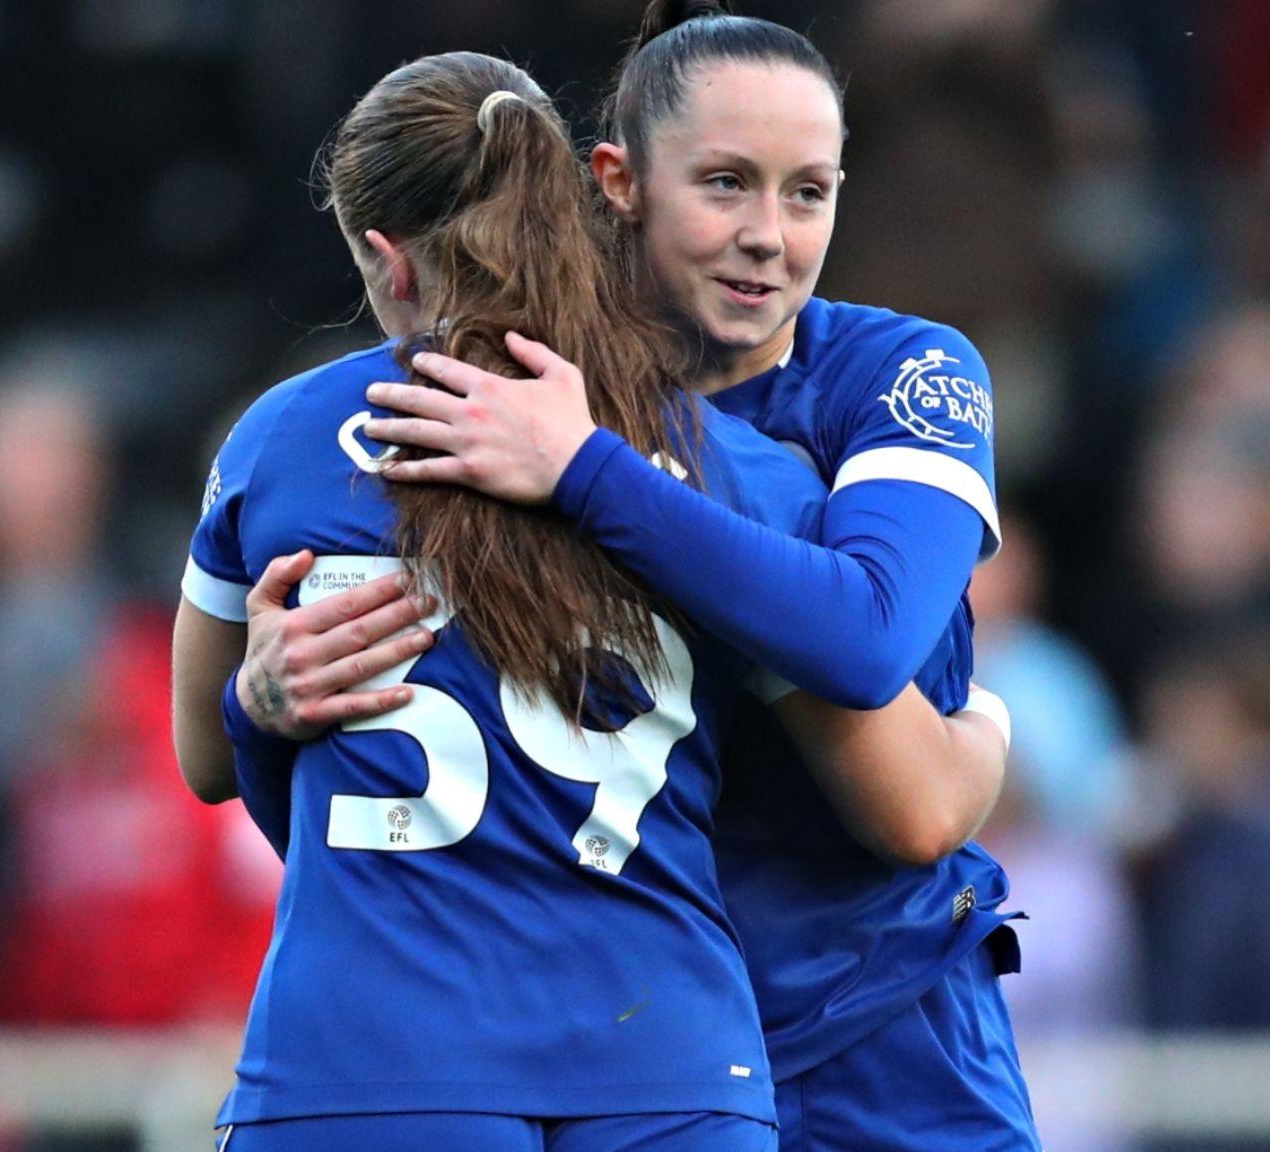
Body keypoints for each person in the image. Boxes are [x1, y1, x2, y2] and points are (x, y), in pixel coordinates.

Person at [234, 6, 1039, 1151]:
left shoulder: (897, 373)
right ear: (615, 182)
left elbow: (871, 659)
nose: (768, 234)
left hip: (876, 1016)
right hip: (642, 1050)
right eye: (723, 184)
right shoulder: (488, 414)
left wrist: (585, 471)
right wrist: (261, 704)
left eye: (806, 191)